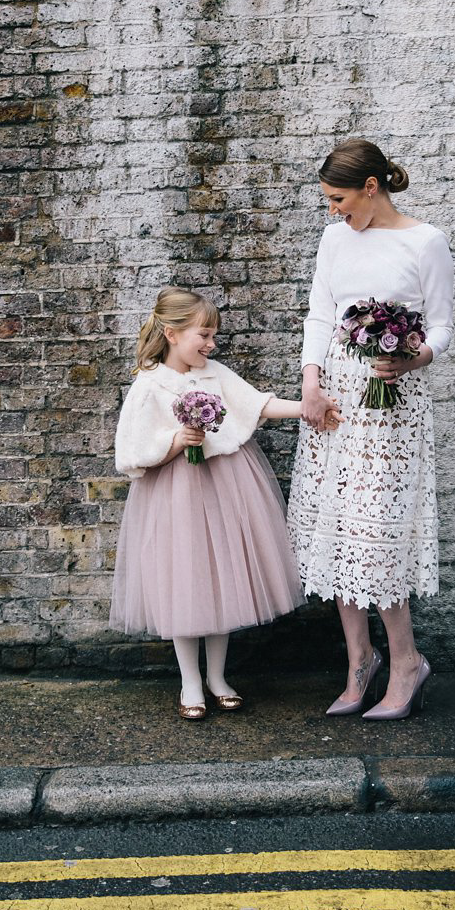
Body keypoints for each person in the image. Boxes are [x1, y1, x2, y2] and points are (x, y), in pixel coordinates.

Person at [113, 286, 340, 720]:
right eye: (205, 334)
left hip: (224, 487)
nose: (212, 344)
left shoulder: (215, 374)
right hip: (175, 495)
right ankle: (190, 682)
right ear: (173, 333)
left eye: (214, 336)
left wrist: (310, 410)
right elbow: (131, 450)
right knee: (184, 582)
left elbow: (257, 404)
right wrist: (176, 440)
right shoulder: (150, 384)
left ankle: (217, 677)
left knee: (222, 579)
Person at [287, 139, 454, 720]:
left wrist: (412, 359)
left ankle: (406, 662)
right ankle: (359, 660)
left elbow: (441, 327)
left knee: (377, 533)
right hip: (334, 398)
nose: (333, 210)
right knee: (333, 529)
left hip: (392, 403)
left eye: (338, 198)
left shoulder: (424, 241)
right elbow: (320, 312)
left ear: (372, 187)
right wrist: (310, 384)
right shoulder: (334, 238)